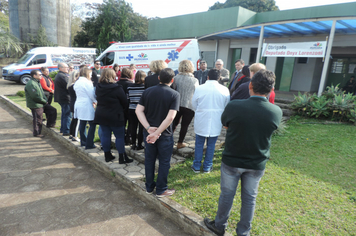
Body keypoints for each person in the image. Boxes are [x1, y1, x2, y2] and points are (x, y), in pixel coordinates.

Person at [204, 69, 283, 236]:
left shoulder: (234, 106)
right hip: (256, 163)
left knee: (226, 195)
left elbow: (226, 125)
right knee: (249, 199)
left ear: (250, 86)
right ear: (271, 89)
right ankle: (244, 232)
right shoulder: (275, 111)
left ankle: (219, 225)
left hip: (232, 160)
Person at [136, 68, 180, 198]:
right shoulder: (174, 94)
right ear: (172, 80)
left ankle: (149, 187)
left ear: (159, 78)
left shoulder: (147, 91)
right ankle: (161, 190)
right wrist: (157, 133)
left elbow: (138, 111)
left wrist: (149, 128)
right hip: (164, 134)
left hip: (149, 133)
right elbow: (170, 118)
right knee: (164, 162)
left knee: (149, 160)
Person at [191, 69, 230, 173]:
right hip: (216, 118)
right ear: (219, 78)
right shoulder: (224, 89)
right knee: (211, 144)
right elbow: (227, 105)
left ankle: (197, 166)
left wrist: (200, 110)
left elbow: (194, 103)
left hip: (202, 118)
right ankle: (207, 166)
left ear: (207, 77)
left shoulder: (200, 88)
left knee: (199, 143)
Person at [94, 68, 133, 164]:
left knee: (105, 135)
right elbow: (124, 101)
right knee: (119, 137)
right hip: (116, 114)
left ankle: (107, 155)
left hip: (102, 114)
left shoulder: (98, 87)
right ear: (113, 76)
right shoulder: (117, 87)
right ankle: (122, 158)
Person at [172, 60, 199, 149]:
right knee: (185, 125)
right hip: (189, 105)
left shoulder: (175, 78)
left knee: (173, 124)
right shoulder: (195, 80)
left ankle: (169, 140)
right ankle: (180, 143)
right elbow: (196, 93)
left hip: (176, 105)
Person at [25, 70, 57, 137]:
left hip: (41, 103)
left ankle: (50, 124)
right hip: (36, 104)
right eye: (39, 74)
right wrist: (44, 101)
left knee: (52, 110)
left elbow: (42, 94)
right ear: (34, 75)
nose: (41, 76)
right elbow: (35, 97)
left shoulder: (36, 82)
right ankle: (37, 133)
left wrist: (45, 100)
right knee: (38, 119)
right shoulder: (31, 84)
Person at [74, 67, 97, 149]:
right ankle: (89, 143)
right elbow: (91, 94)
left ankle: (83, 141)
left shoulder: (77, 82)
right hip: (86, 104)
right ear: (87, 74)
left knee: (82, 123)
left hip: (79, 103)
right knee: (92, 124)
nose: (91, 76)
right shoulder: (87, 82)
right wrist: (95, 101)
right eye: (90, 74)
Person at [127, 70, 146, 150]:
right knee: (141, 127)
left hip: (132, 108)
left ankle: (133, 143)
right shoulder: (145, 87)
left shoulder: (129, 87)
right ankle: (139, 144)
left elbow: (128, 98)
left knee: (133, 127)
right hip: (142, 110)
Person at [117, 68, 134, 145]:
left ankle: (121, 137)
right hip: (129, 106)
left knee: (122, 123)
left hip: (119, 106)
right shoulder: (131, 84)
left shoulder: (117, 84)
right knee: (131, 123)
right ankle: (128, 137)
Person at [54, 62, 71, 136]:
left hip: (62, 98)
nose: (68, 68)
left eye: (68, 67)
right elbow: (69, 86)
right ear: (60, 68)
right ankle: (66, 130)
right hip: (65, 98)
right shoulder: (62, 76)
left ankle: (63, 129)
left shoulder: (61, 75)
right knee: (67, 115)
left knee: (64, 114)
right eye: (66, 67)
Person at [67, 71, 80, 142]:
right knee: (76, 120)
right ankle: (74, 136)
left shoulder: (70, 85)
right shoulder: (74, 85)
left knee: (74, 119)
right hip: (75, 103)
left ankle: (71, 134)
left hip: (72, 103)